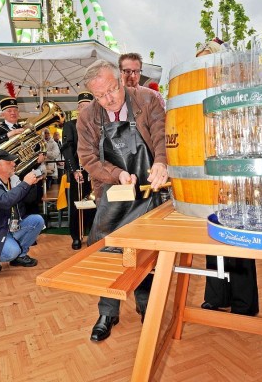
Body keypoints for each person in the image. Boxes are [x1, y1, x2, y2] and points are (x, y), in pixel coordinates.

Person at [77, 59, 167, 342]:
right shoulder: (89, 116)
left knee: (145, 254)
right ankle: (107, 312)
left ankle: (146, 307)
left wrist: (162, 162)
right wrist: (116, 173)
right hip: (113, 194)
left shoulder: (147, 99)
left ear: (121, 80)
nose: (109, 100)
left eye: (112, 91)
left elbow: (162, 135)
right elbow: (88, 158)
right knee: (107, 252)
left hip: (149, 190)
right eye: (100, 96)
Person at [196, 38, 259, 316]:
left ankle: (244, 303)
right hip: (209, 173)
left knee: (239, 232)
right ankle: (217, 296)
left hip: (238, 172)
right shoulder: (199, 93)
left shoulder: (238, 89)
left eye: (208, 58)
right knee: (215, 234)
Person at [0, 149, 44, 273]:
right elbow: (5, 200)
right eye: (9, 162)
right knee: (12, 252)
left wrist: (32, 185)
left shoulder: (13, 180)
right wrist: (25, 183)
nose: (14, 164)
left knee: (37, 220)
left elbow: (30, 200)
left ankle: (20, 256)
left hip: (11, 227)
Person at [61, 92, 95, 250]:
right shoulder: (70, 125)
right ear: (78, 109)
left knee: (95, 204)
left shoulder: (98, 124)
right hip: (79, 171)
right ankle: (76, 236)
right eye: (82, 106)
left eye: (88, 106)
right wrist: (74, 170)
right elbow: (67, 149)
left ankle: (94, 234)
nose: (85, 109)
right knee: (77, 204)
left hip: (96, 172)